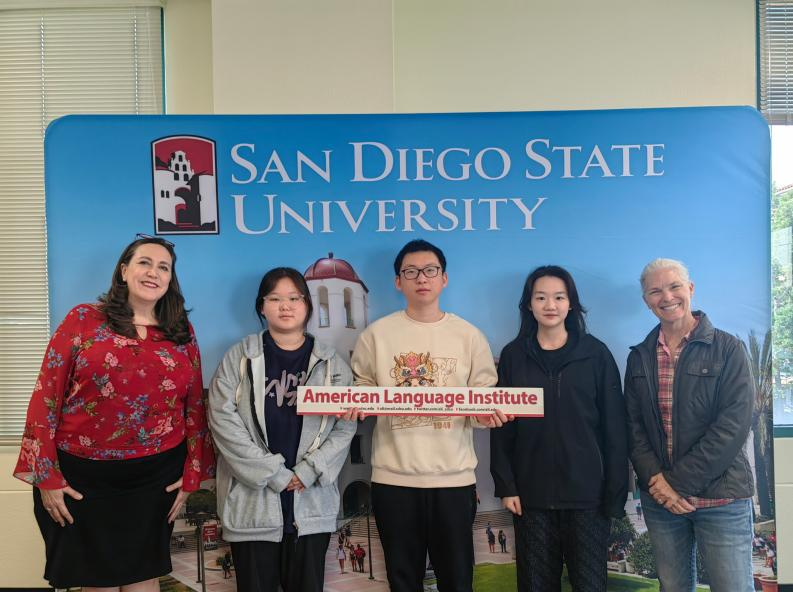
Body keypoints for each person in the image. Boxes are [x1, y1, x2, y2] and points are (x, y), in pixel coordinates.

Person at [13, 235, 215, 591]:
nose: (153, 272)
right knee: (97, 583)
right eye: (144, 263)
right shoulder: (83, 319)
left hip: (155, 479)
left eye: (163, 267)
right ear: (124, 271)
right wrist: (46, 476)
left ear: (170, 279)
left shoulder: (181, 331)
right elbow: (46, 397)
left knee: (145, 579)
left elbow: (195, 406)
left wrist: (193, 472)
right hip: (82, 480)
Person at [350, 239, 505, 592]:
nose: (421, 278)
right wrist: (358, 405)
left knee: (457, 579)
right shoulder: (376, 335)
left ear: (444, 278)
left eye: (430, 270)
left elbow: (482, 400)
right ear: (398, 281)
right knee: (403, 580)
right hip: (393, 479)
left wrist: (486, 416)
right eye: (411, 271)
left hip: (453, 480)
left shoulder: (469, 336)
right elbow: (362, 390)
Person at [208, 267, 356, 592]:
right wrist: (273, 473)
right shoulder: (240, 357)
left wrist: (309, 470)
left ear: (307, 305)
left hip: (310, 501)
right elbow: (221, 418)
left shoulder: (331, 363)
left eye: (294, 298)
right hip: (253, 504)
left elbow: (345, 426)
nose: (285, 306)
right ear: (262, 307)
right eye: (274, 299)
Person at [490, 265, 628, 592]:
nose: (550, 305)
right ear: (529, 305)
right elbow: (502, 429)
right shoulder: (513, 356)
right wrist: (506, 485)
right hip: (531, 499)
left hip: (588, 500)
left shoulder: (596, 354)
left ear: (571, 304)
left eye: (559, 297)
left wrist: (614, 494)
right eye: (541, 297)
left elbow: (615, 429)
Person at [625, 258, 755, 592]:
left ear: (691, 289)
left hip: (720, 501)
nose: (667, 297)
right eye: (656, 291)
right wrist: (658, 484)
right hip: (662, 504)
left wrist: (676, 484)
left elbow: (732, 427)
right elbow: (633, 427)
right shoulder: (639, 356)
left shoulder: (729, 349)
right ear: (646, 300)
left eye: (674, 287)